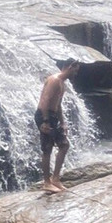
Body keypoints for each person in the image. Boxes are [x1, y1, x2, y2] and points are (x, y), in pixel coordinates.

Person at [35, 58, 81, 192]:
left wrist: (63, 122)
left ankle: (55, 179)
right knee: (47, 148)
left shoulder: (63, 84)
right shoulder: (54, 80)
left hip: (53, 116)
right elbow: (45, 101)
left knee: (64, 145)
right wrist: (45, 121)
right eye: (75, 71)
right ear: (70, 67)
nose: (75, 74)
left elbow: (58, 105)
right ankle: (46, 182)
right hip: (44, 115)